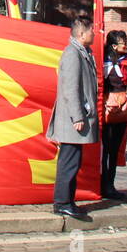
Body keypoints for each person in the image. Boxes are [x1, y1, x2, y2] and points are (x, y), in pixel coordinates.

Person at [46, 15, 99, 220]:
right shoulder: (72, 55)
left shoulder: (82, 53)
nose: (94, 33)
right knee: (69, 162)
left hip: (77, 119)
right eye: (91, 30)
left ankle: (67, 201)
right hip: (72, 120)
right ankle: (62, 202)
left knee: (73, 162)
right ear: (81, 33)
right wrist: (77, 116)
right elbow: (70, 89)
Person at [101, 30, 127, 200]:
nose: (126, 44)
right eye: (123, 41)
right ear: (114, 45)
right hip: (106, 106)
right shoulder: (102, 60)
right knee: (105, 149)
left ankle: (110, 184)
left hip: (123, 107)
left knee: (114, 149)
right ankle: (103, 184)